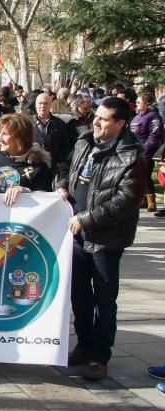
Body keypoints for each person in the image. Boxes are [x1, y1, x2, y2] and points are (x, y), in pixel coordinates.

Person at [60, 96, 146, 381]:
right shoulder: (84, 142)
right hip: (76, 235)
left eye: (103, 118)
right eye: (96, 115)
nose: (95, 121)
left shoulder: (132, 156)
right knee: (79, 297)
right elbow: (66, 170)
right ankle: (84, 345)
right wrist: (61, 187)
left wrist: (86, 219)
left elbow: (125, 201)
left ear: (120, 123)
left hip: (106, 239)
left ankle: (100, 356)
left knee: (104, 300)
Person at [0, 113, 54, 200]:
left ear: (20, 138)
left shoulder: (38, 163)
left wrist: (26, 192)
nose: (0, 138)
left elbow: (45, 197)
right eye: (0, 133)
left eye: (5, 134)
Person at [33, 92, 78, 183]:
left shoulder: (60, 124)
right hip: (32, 169)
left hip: (53, 170)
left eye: (46, 103)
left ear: (50, 105)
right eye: (40, 103)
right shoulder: (27, 123)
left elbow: (66, 148)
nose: (43, 106)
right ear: (35, 105)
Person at [130, 92, 163, 212]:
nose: (137, 104)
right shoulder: (136, 117)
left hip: (147, 151)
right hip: (135, 151)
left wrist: (146, 149)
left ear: (147, 103)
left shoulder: (153, 116)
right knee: (137, 175)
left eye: (139, 102)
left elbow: (155, 135)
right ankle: (142, 199)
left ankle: (151, 200)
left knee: (145, 174)